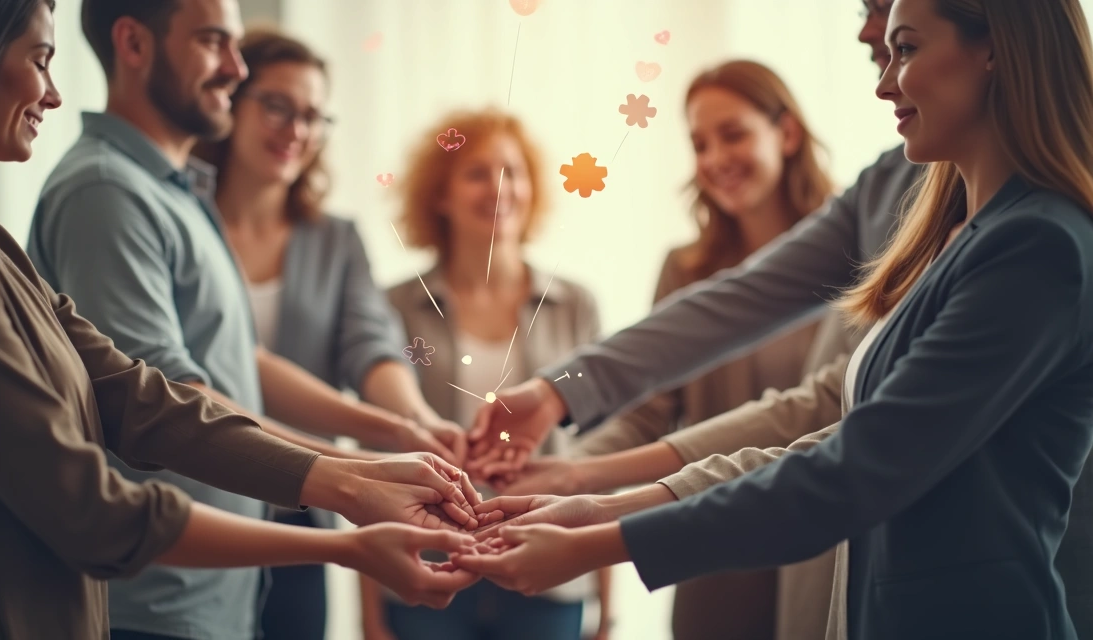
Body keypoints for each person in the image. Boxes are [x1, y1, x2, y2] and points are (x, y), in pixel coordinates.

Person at [460, 0, 1093, 638]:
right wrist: (593, 496)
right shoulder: (936, 210)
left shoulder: (1036, 245)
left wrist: (601, 536)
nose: (878, 67)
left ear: (993, 47)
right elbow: (780, 361)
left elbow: (851, 461)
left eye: (903, 41)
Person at [0, 1, 486, 639]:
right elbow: (85, 504)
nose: (54, 95)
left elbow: (144, 401)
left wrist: (357, 479)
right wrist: (343, 544)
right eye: (40, 61)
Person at [492, 59, 833, 640]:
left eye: (734, 134)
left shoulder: (859, 256)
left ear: (788, 133)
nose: (715, 159)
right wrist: (562, 473)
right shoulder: (687, 268)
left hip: (820, 531)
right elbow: (648, 409)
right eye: (700, 143)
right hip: (712, 541)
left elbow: (822, 410)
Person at [189, 26, 468, 640]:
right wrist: (389, 433)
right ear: (233, 102)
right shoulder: (184, 216)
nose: (295, 130)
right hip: (195, 496)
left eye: (313, 116)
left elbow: (371, 344)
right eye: (277, 106)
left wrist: (415, 418)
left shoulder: (334, 238)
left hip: (302, 505)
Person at [359, 108, 610, 640]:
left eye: (512, 172)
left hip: (549, 567)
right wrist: (370, 610)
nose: (499, 188)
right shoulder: (395, 307)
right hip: (426, 564)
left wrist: (607, 604)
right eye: (476, 172)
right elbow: (374, 453)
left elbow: (598, 449)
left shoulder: (574, 305)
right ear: (440, 195)